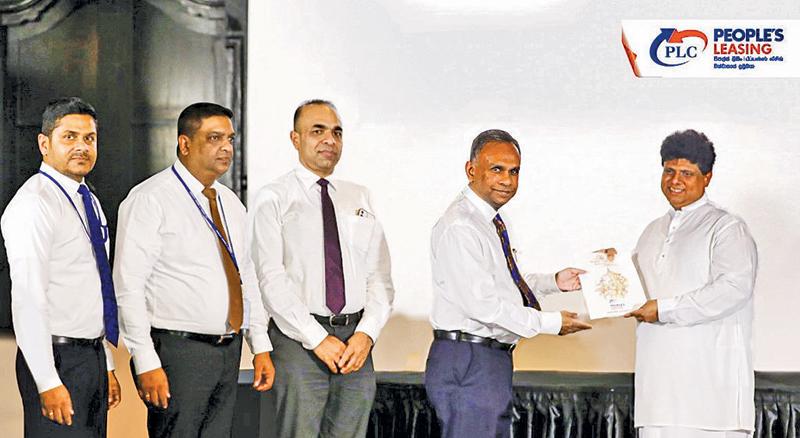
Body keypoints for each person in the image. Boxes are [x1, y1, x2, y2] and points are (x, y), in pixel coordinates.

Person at [113, 102, 274, 437]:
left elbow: (245, 276)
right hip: (177, 352)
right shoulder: (150, 199)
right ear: (184, 144)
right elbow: (128, 287)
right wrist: (145, 360)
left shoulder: (230, 202)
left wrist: (260, 344)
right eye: (214, 138)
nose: (227, 147)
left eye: (230, 138)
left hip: (228, 351)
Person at [425, 129, 591, 438]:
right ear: (471, 170)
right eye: (497, 169)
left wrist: (554, 282)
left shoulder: (490, 220)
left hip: (487, 359)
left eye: (514, 171)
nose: (507, 180)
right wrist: (550, 323)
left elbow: (503, 282)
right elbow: (482, 305)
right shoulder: (461, 226)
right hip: (469, 359)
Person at [248, 99, 394, 437]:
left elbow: (380, 278)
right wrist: (317, 339)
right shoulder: (273, 197)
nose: (330, 140)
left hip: (355, 342)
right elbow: (269, 278)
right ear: (295, 138)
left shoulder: (360, 197)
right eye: (318, 131)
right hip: (299, 340)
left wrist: (367, 333)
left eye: (337, 132)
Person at [626, 129, 758, 438]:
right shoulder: (652, 231)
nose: (675, 180)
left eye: (687, 173)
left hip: (711, 402)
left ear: (707, 177)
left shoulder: (726, 227)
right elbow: (635, 292)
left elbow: (733, 289)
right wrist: (608, 267)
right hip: (655, 396)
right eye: (669, 171)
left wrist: (664, 309)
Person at [1, 97, 121, 437]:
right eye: (69, 137)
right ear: (44, 143)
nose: (81, 147)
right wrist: (47, 380)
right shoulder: (34, 204)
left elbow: (94, 286)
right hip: (57, 359)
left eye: (89, 138)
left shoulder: (88, 200)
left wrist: (106, 365)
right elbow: (28, 298)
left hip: (90, 356)